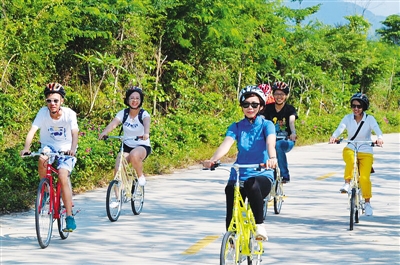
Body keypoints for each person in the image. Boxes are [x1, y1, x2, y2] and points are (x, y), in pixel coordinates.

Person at [203, 85, 277, 241]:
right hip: (239, 173)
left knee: (252, 184)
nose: (250, 107)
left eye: (254, 104)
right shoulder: (236, 126)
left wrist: (273, 158)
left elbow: (271, 143)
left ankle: (259, 225)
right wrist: (213, 159)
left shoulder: (266, 125)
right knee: (230, 192)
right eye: (246, 104)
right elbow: (226, 144)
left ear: (261, 106)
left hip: (262, 172)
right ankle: (231, 239)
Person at [20, 83, 79, 232]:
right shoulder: (42, 113)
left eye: (55, 100)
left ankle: (69, 217)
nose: (52, 104)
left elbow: (74, 133)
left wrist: (72, 149)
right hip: (49, 147)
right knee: (42, 159)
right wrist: (26, 148)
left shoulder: (69, 114)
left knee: (62, 175)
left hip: (66, 148)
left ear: (62, 101)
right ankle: (46, 190)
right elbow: (32, 131)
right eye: (49, 100)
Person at [329, 93, 383, 216]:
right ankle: (347, 183)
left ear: (364, 107)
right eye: (353, 106)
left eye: (359, 106)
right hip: (351, 147)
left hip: (366, 150)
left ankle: (367, 203)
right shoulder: (347, 118)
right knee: (350, 160)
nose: (356, 109)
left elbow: (377, 129)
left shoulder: (370, 119)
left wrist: (379, 138)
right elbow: (340, 129)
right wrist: (334, 136)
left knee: (364, 178)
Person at [99, 86, 151, 186]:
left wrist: (146, 133)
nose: (135, 100)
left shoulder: (144, 114)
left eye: (137, 98)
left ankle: (140, 176)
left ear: (141, 100)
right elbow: (113, 124)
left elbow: (146, 123)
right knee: (118, 167)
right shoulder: (123, 113)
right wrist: (104, 133)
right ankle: (117, 199)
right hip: (127, 145)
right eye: (132, 98)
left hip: (141, 145)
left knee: (134, 155)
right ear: (127, 100)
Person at [262, 81, 298, 183]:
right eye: (277, 94)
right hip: (270, 140)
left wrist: (293, 133)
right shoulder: (268, 108)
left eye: (282, 94)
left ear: (286, 96)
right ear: (273, 95)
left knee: (278, 145)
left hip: (287, 140)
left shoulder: (290, 109)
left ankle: (284, 175)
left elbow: (291, 121)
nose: (279, 97)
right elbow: (261, 119)